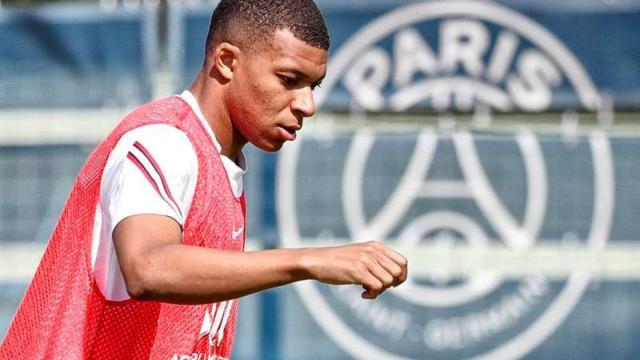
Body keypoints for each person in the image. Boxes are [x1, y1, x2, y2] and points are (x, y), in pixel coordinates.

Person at [0, 1, 408, 359]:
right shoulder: (165, 141)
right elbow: (148, 268)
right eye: (289, 80)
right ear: (228, 61)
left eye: (313, 86)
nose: (308, 104)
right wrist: (310, 260)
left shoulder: (220, 162)